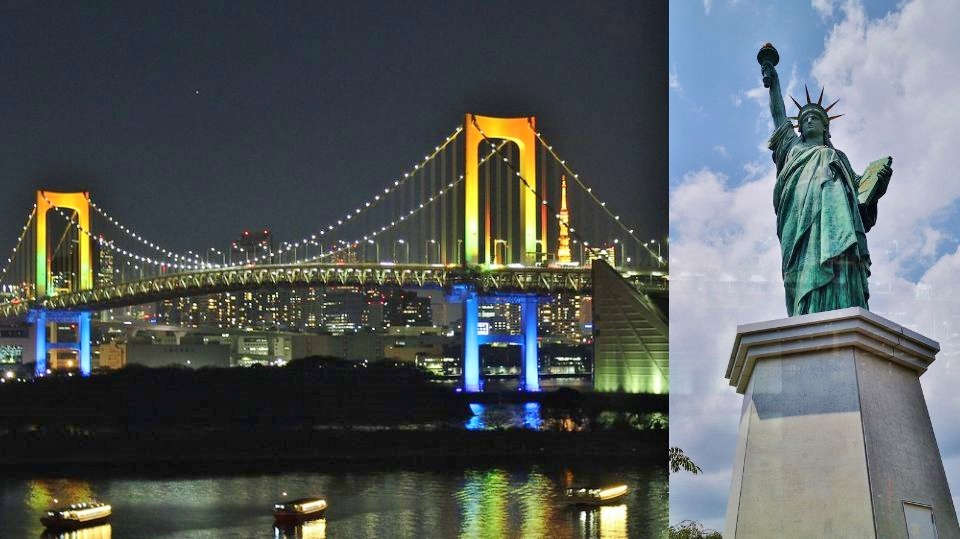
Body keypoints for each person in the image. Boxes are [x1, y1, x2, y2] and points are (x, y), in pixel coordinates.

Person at [762, 55, 891, 316]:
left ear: (825, 127)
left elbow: (861, 197)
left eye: (815, 117)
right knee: (803, 263)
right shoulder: (792, 147)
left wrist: (879, 182)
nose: (809, 120)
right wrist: (773, 80)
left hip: (836, 221)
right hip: (798, 214)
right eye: (805, 118)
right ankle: (807, 308)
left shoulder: (838, 157)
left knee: (840, 254)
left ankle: (841, 303)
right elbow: (778, 115)